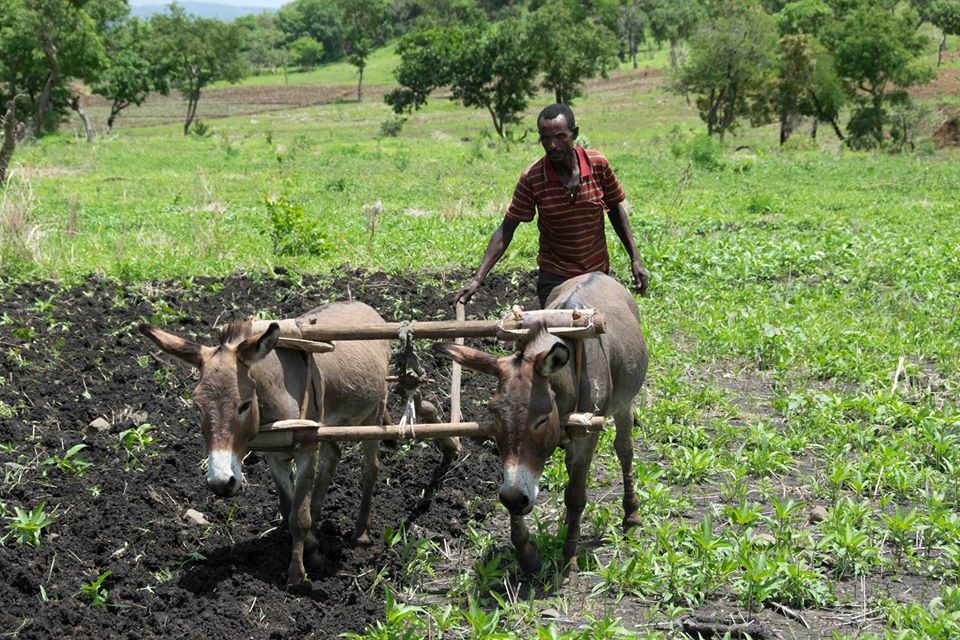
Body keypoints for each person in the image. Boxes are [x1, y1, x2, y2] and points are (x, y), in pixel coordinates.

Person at [452, 103, 649, 309]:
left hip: (596, 275)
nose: (553, 145)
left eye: (560, 136)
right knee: (557, 337)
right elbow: (506, 230)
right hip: (556, 278)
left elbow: (616, 210)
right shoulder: (533, 178)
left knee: (601, 333)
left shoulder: (598, 164)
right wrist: (478, 278)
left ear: (574, 133)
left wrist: (635, 259)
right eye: (545, 138)